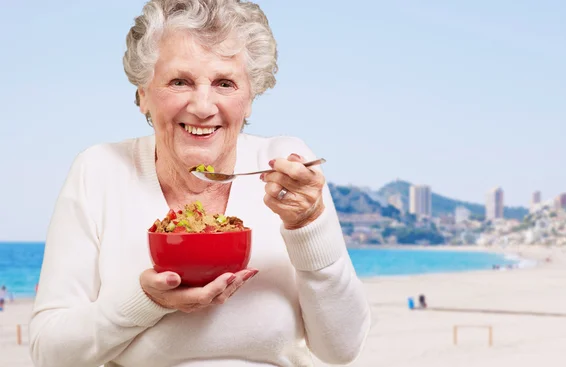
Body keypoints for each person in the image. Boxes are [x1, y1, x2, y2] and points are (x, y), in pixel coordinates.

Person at [28, 1, 371, 366]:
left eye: (225, 83)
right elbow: (50, 353)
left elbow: (341, 349)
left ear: (250, 98)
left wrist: (308, 225)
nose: (204, 106)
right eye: (180, 81)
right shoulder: (99, 171)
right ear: (143, 93)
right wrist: (147, 301)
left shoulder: (286, 166)